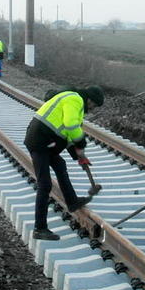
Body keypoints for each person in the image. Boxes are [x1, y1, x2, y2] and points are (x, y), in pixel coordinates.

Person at [24, 86, 105, 240]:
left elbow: (66, 134)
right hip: (40, 141)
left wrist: (78, 155)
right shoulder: (75, 99)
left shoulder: (74, 103)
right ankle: (39, 228)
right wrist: (81, 144)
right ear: (89, 99)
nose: (92, 109)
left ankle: (72, 202)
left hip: (46, 140)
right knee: (45, 184)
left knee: (60, 165)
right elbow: (71, 125)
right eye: (93, 105)